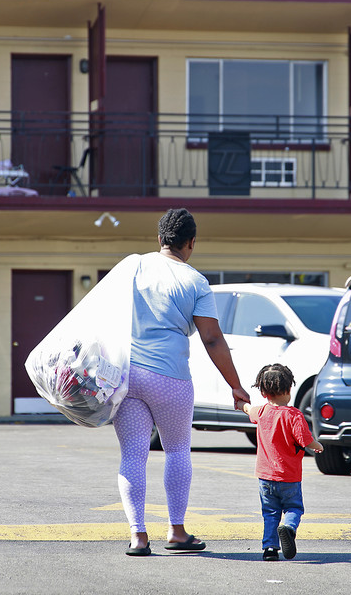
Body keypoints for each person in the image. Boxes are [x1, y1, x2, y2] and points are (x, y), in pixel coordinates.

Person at [114, 208, 250, 557]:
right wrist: (235, 385)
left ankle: (138, 536)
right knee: (176, 450)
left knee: (133, 454)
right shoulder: (195, 282)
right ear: (191, 243)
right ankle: (176, 531)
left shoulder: (133, 266)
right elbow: (212, 339)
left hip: (128, 376)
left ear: (159, 239)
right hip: (170, 378)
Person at [235, 363, 323, 561]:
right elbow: (306, 441)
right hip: (289, 477)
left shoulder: (262, 412)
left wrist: (240, 403)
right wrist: (318, 445)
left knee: (270, 513)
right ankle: (289, 528)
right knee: (294, 508)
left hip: (265, 478)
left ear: (264, 393)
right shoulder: (294, 416)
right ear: (289, 389)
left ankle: (270, 549)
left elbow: (248, 409)